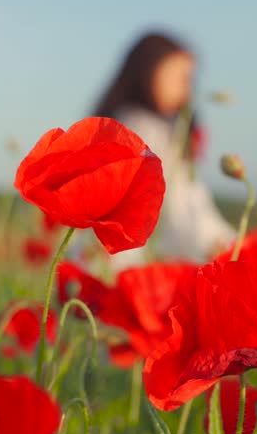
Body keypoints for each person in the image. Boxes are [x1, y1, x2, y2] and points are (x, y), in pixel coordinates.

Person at [91, 31, 236, 267]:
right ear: (149, 71)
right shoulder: (146, 132)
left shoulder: (114, 125)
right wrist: (229, 246)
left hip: (105, 256)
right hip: (130, 264)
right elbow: (181, 209)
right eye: (182, 78)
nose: (188, 91)